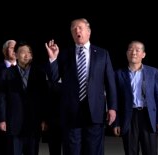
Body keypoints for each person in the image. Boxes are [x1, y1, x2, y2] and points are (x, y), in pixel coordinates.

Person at [45, 18, 117, 155]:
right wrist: (53, 59)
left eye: (80, 28)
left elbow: (110, 83)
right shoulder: (65, 54)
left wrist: (112, 107)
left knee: (93, 150)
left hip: (95, 111)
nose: (77, 30)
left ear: (89, 32)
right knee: (72, 150)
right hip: (72, 112)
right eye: (73, 29)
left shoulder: (102, 54)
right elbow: (54, 79)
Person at [113, 41, 158, 155]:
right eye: (130, 49)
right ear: (126, 53)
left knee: (150, 151)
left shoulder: (152, 72)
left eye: (137, 50)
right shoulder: (118, 74)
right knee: (130, 151)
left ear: (143, 54)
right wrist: (116, 123)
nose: (134, 52)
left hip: (148, 116)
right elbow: (115, 100)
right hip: (129, 116)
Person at [0, 41, 48, 155]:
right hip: (14, 122)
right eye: (23, 52)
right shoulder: (6, 73)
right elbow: (2, 97)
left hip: (34, 122)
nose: (27, 55)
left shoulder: (39, 73)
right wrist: (2, 119)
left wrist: (44, 119)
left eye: (29, 52)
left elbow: (44, 98)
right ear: (15, 55)